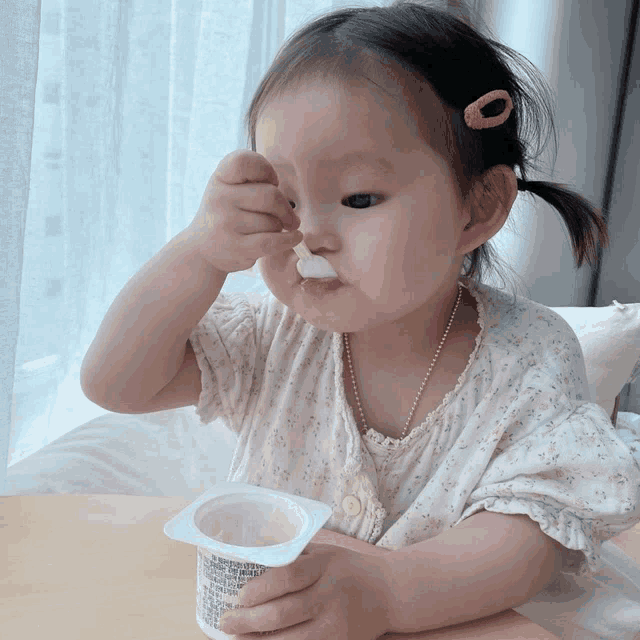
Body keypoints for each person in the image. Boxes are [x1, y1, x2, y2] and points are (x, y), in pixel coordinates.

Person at [81, 1, 640, 638]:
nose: (310, 233)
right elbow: (117, 384)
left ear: (478, 207)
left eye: (359, 198)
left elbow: (532, 531)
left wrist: (391, 592)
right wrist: (198, 253)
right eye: (286, 199)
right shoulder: (274, 336)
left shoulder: (530, 356)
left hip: (466, 616)